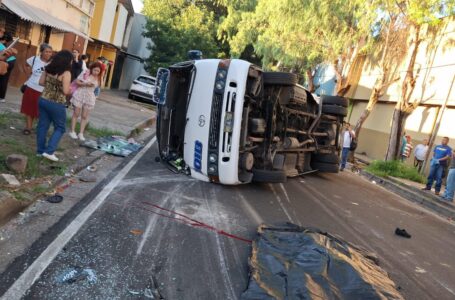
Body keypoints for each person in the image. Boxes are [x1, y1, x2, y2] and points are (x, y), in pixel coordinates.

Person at [36, 50, 73, 162]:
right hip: (56, 103)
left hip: (43, 99)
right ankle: (49, 151)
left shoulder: (48, 68)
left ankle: (40, 151)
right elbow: (66, 91)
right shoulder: (66, 73)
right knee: (60, 128)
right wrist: (71, 89)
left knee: (43, 126)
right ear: (67, 61)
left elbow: (41, 83)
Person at [20, 43, 53, 135]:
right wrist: (28, 75)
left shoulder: (52, 63)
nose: (48, 54)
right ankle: (28, 128)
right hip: (31, 87)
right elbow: (25, 65)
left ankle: (40, 128)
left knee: (41, 111)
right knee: (29, 109)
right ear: (41, 52)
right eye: (46, 51)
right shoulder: (34, 59)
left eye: (50, 52)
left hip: (44, 90)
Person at [69, 62, 101, 141]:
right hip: (80, 94)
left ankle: (81, 133)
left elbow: (98, 88)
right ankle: (72, 131)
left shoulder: (99, 77)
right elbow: (77, 81)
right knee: (76, 113)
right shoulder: (85, 73)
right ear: (91, 69)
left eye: (98, 71)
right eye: (95, 70)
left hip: (89, 97)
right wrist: (85, 84)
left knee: (84, 116)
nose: (96, 72)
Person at [0, 32, 16, 102]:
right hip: (11, 61)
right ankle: (2, 97)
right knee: (4, 79)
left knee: (3, 78)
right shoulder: (3, 44)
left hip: (8, 61)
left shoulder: (1, 44)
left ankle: (1, 97)